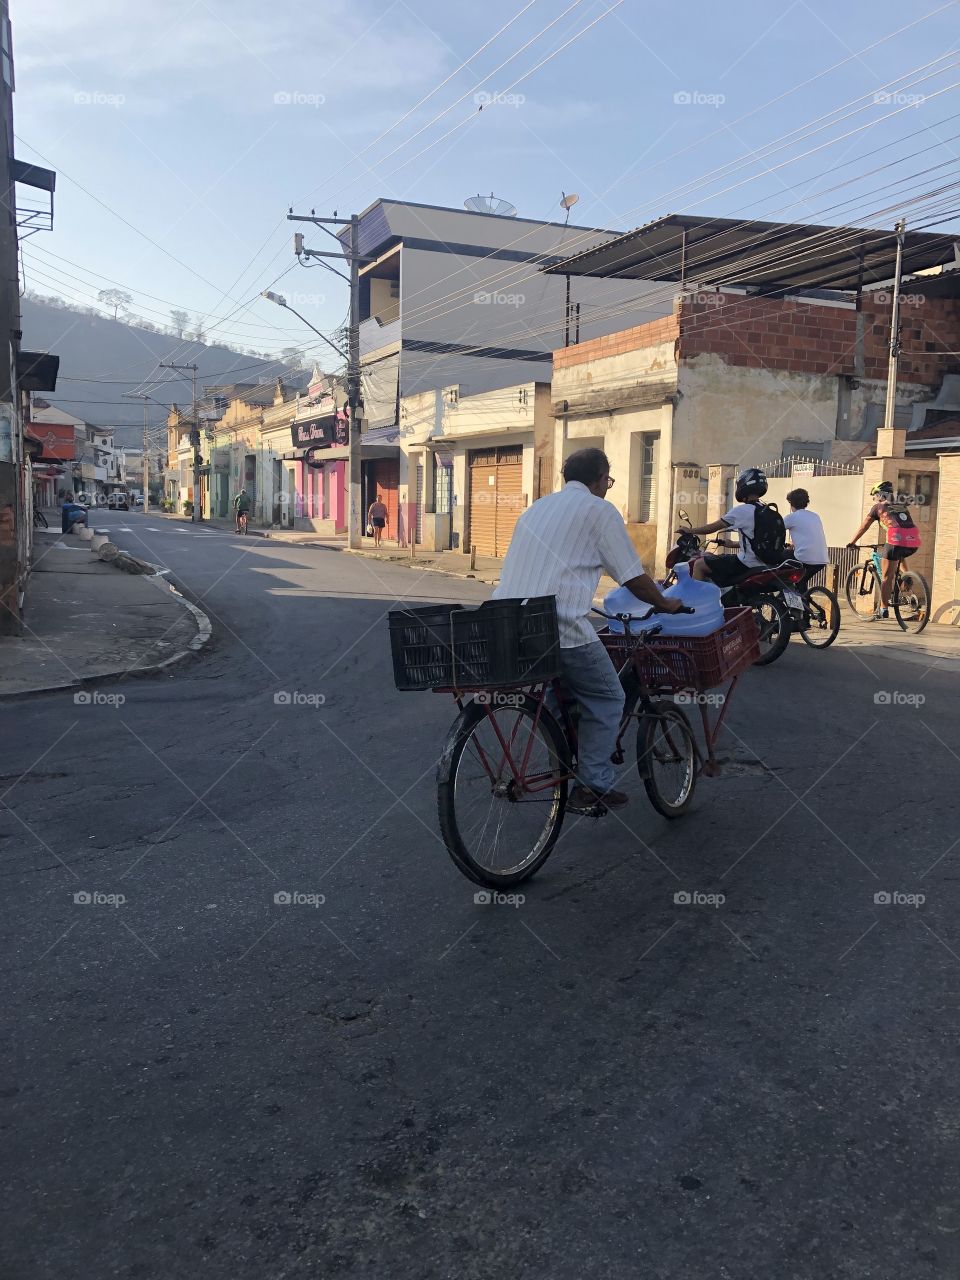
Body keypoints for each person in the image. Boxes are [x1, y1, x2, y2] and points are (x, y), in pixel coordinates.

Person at [493, 447, 682, 813]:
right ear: (598, 479)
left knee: (556, 695)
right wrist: (665, 602)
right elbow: (632, 577)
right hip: (558, 626)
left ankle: (561, 762)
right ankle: (592, 785)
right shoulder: (599, 511)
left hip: (507, 623)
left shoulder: (536, 509)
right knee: (608, 696)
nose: (607, 488)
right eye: (608, 481)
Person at [682, 467, 771, 585]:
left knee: (699, 564)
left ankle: (695, 601)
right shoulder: (767, 510)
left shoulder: (742, 510)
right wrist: (732, 544)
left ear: (743, 486)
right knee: (714, 557)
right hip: (763, 563)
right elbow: (758, 541)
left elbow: (712, 528)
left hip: (746, 563)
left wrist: (690, 531)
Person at [847, 480, 921, 620]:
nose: (874, 499)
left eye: (874, 495)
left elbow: (864, 527)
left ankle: (883, 609)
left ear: (880, 494)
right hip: (914, 541)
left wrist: (852, 542)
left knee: (887, 577)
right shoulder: (900, 505)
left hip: (895, 541)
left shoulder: (878, 507)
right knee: (898, 554)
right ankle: (907, 575)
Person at [783, 488, 828, 590]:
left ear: (791, 503)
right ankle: (804, 599)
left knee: (782, 556)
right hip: (822, 559)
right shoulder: (815, 516)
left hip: (805, 558)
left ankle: (788, 592)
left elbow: (776, 532)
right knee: (801, 581)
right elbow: (808, 536)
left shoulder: (791, 517)